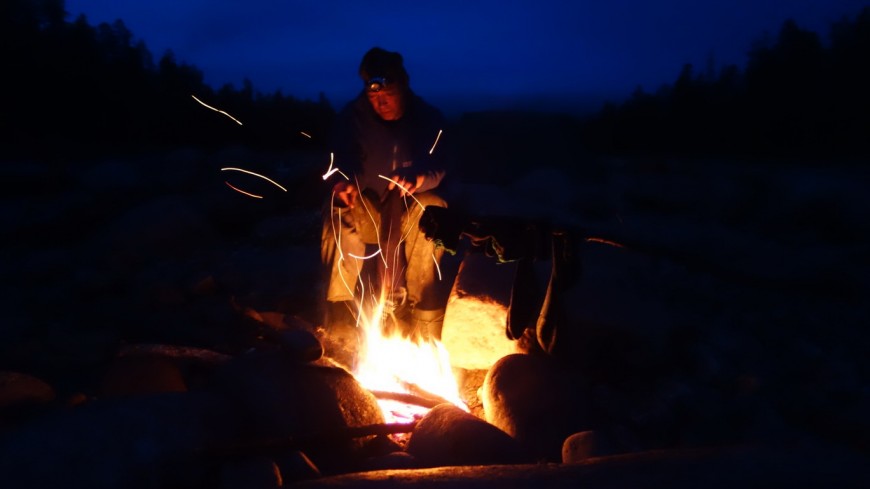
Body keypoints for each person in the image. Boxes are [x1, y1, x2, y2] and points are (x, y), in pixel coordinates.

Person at [321, 47, 450, 340]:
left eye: (388, 95)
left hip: (409, 210)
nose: (381, 103)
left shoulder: (427, 118)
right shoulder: (351, 119)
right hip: (368, 207)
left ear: (403, 85)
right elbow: (338, 160)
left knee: (434, 208)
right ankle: (340, 311)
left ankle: (423, 314)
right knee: (337, 211)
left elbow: (440, 164)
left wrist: (420, 177)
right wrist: (343, 182)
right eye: (374, 97)